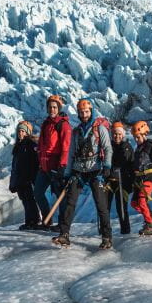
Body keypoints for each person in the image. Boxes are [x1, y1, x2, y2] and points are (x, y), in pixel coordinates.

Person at [52, 99, 114, 250]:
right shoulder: (76, 131)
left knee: (101, 205)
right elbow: (71, 154)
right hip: (78, 171)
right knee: (70, 202)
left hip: (96, 171)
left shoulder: (99, 128)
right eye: (81, 112)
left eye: (86, 112)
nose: (84, 114)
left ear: (91, 111)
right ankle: (64, 234)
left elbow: (107, 148)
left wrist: (107, 165)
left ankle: (107, 237)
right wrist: (67, 174)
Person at [35, 94, 72, 229]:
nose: (52, 109)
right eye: (50, 107)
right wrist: (40, 160)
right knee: (38, 193)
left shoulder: (63, 125)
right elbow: (41, 145)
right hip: (44, 166)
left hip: (56, 166)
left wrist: (62, 166)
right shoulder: (46, 124)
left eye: (55, 107)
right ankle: (47, 219)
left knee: (60, 195)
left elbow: (66, 147)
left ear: (59, 108)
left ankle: (63, 224)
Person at [9, 120, 42, 230]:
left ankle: (34, 220)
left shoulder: (30, 144)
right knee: (24, 199)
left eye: (23, 131)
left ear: (28, 132)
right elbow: (15, 165)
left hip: (27, 178)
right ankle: (29, 221)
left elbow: (35, 161)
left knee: (29, 199)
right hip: (20, 178)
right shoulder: (18, 146)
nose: (21, 133)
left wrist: (33, 176)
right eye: (19, 131)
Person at [105, 121, 134, 235]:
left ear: (123, 135)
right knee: (104, 208)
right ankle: (105, 231)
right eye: (115, 134)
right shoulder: (109, 146)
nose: (117, 136)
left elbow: (130, 164)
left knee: (121, 208)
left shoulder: (127, 147)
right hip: (110, 181)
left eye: (119, 134)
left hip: (122, 182)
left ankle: (125, 231)